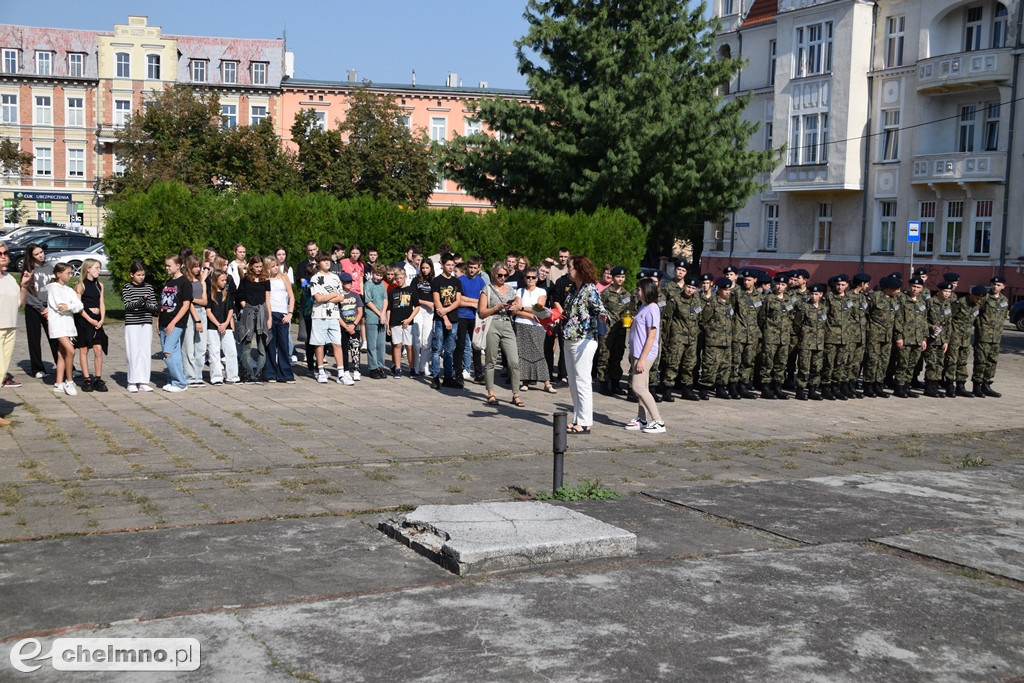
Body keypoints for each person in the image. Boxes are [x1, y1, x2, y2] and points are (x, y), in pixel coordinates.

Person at [562, 255, 606, 434]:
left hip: (584, 340)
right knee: (573, 382)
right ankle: (577, 418)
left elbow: (600, 309)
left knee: (583, 381)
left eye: (570, 267)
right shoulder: (572, 289)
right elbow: (568, 313)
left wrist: (602, 317)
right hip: (569, 339)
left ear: (579, 270)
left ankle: (585, 422)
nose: (568, 270)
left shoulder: (590, 289)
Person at [479, 262, 524, 407]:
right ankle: (490, 393)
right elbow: (482, 312)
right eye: (500, 275)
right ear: (494, 274)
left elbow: (515, 309)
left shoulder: (510, 290)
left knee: (514, 361)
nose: (503, 278)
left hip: (507, 324)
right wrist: (497, 307)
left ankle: (515, 394)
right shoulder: (487, 289)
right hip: (492, 322)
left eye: (505, 275)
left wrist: (514, 307)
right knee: (490, 360)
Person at [625, 278, 665, 433]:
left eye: (640, 289)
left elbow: (651, 336)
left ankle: (658, 421)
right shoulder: (643, 306)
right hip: (637, 352)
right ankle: (642, 418)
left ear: (647, 290)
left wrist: (642, 359)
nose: (637, 291)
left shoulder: (653, 308)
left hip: (645, 354)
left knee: (638, 386)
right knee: (643, 386)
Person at [514, 266, 556, 394]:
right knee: (523, 353)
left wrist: (523, 309)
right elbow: (515, 309)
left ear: (537, 279)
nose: (530, 279)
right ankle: (525, 381)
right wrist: (530, 314)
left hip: (537, 326)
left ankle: (546, 382)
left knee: (539, 352)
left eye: (533, 277)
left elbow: (539, 308)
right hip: (521, 324)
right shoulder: (520, 291)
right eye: (528, 277)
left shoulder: (541, 292)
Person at [45, 263, 83, 396]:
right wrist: (69, 306)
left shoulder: (69, 290)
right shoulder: (53, 289)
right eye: (68, 273)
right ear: (58, 274)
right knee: (70, 351)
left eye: (71, 273)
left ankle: (58, 383)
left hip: (68, 325)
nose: (70, 275)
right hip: (58, 325)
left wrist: (69, 307)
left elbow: (79, 305)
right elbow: (59, 306)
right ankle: (69, 380)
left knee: (61, 353)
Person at [21, 243, 58, 378]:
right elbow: (28, 293)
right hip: (33, 309)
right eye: (37, 254)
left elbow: (55, 288)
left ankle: (64, 365)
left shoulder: (50, 268)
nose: (41, 255)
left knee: (55, 338)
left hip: (50, 308)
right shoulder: (28, 269)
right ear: (31, 256)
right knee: (34, 339)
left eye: (41, 252)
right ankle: (37, 368)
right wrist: (41, 308)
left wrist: (49, 307)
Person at [309, 251, 346, 384]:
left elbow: (341, 297)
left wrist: (328, 297)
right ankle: (320, 371)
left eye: (328, 260)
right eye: (324, 260)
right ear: (318, 263)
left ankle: (341, 373)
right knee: (319, 344)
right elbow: (318, 298)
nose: (327, 262)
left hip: (334, 315)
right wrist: (332, 295)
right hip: (319, 315)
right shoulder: (315, 278)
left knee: (337, 343)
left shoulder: (335, 278)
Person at [121, 262, 159, 392]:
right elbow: (128, 306)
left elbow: (154, 307)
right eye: (138, 275)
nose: (141, 277)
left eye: (143, 275)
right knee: (133, 352)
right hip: (132, 323)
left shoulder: (148, 287)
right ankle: (132, 381)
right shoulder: (127, 287)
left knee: (145, 352)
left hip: (146, 322)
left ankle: (143, 381)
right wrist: (141, 301)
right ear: (132, 275)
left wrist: (144, 305)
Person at [158, 254, 193, 393]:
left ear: (178, 266)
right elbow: (163, 303)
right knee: (174, 353)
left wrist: (173, 322)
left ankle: (180, 382)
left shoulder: (184, 283)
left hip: (176, 322)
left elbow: (185, 305)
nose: (167, 268)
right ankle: (172, 380)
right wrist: (159, 321)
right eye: (166, 265)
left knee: (168, 352)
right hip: (164, 321)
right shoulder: (168, 282)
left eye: (169, 265)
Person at [73, 258, 109, 392]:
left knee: (98, 349)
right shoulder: (80, 285)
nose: (99, 270)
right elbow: (78, 307)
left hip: (97, 319)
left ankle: (98, 378)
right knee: (84, 349)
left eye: (99, 268)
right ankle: (87, 378)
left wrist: (101, 319)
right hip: (85, 319)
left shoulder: (99, 285)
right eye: (96, 268)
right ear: (88, 269)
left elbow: (102, 303)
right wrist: (90, 320)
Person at [0, 243, 26, 424]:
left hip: (10, 328)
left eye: (5, 253)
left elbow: (20, 303)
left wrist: (24, 285)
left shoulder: (9, 278)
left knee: (2, 374)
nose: (3, 256)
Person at [972, 276, 1010, 397]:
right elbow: (975, 314)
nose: (995, 286)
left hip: (996, 337)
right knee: (980, 361)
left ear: (1003, 287)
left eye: (998, 285)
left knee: (992, 361)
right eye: (993, 284)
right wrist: (980, 326)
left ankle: (987, 384)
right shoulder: (984, 298)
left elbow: (1003, 316)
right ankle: (977, 386)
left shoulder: (1004, 300)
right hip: (983, 336)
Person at [236, 256, 271, 384]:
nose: (258, 269)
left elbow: (267, 299)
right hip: (249, 312)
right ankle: (247, 373)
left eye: (260, 267)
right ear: (251, 266)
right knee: (247, 343)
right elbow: (240, 296)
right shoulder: (245, 280)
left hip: (262, 312)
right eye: (256, 267)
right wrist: (247, 307)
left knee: (262, 344)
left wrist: (269, 317)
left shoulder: (265, 280)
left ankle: (259, 373)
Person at [596, 266, 630, 395]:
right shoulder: (606, 293)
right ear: (613, 278)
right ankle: (603, 384)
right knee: (604, 356)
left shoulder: (627, 294)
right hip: (607, 330)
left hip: (620, 330)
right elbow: (598, 308)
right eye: (618, 277)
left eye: (622, 277)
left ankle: (615, 383)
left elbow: (630, 310)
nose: (620, 279)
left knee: (617, 356)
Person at [430, 253, 462, 390]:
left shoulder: (456, 282)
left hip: (453, 318)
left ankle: (448, 376)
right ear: (442, 265)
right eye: (448, 265)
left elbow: (458, 301)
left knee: (449, 350)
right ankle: (435, 376)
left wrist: (446, 311)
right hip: (440, 319)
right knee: (437, 348)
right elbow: (437, 301)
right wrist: (444, 317)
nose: (450, 267)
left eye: (452, 265)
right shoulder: (437, 281)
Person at [893, 276, 928, 398]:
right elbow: (898, 319)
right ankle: (899, 387)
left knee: (912, 364)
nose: (915, 289)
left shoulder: (921, 302)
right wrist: (899, 336)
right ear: (909, 285)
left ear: (922, 288)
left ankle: (907, 386)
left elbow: (924, 321)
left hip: (918, 339)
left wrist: (924, 338)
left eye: (918, 287)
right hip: (905, 339)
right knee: (902, 363)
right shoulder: (901, 299)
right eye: (913, 286)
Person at [205, 268, 240, 385]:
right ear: (215, 280)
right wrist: (218, 324)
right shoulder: (210, 294)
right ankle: (216, 377)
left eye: (226, 280)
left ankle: (232, 376)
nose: (225, 282)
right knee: (214, 352)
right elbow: (208, 311)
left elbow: (231, 309)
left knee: (231, 351)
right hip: (213, 326)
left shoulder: (227, 293)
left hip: (226, 325)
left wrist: (226, 323)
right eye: (222, 280)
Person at [455, 256, 486, 386]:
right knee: (461, 345)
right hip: (462, 316)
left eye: (475, 268)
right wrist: (474, 303)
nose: (472, 270)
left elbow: (484, 299)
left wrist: (474, 303)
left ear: (479, 268)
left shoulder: (481, 282)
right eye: (470, 267)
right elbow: (458, 300)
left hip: (476, 318)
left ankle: (478, 373)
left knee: (476, 346)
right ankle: (458, 373)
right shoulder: (460, 280)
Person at [794, 283, 827, 401]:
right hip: (806, 343)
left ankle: (813, 389)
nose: (813, 296)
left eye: (816, 294)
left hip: (819, 343)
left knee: (817, 367)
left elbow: (825, 325)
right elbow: (797, 324)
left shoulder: (824, 308)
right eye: (812, 294)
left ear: (821, 295)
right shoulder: (804, 307)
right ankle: (800, 389)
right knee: (804, 367)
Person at [265, 258, 295, 383]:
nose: (276, 268)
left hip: (283, 314)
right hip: (272, 314)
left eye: (277, 265)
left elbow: (291, 296)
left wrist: (290, 313)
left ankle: (285, 374)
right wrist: (269, 317)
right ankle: (271, 373)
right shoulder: (266, 280)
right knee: (270, 345)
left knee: (284, 345)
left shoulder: (284, 278)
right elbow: (267, 299)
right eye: (273, 266)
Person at [387, 268, 420, 377]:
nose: (399, 280)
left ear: (405, 277)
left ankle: (412, 368)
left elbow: (417, 307)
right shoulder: (392, 292)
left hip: (408, 322)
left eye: (401, 278)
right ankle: (397, 368)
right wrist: (388, 324)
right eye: (397, 278)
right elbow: (389, 309)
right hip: (395, 322)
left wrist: (409, 319)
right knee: (397, 345)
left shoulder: (411, 290)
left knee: (409, 346)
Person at [181, 256, 208, 386]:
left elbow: (204, 301)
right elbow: (187, 302)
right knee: (188, 347)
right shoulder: (186, 282)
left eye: (199, 266)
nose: (197, 269)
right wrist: (196, 320)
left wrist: (193, 299)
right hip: (189, 314)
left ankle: (198, 375)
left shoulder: (201, 282)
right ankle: (189, 376)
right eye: (195, 266)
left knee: (201, 347)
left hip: (202, 312)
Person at [363, 264, 389, 379]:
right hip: (372, 317)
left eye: (380, 275)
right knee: (372, 344)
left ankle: (380, 366)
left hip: (382, 318)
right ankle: (373, 367)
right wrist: (379, 314)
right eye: (377, 275)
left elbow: (385, 299)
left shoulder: (382, 285)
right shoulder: (368, 285)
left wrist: (383, 313)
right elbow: (368, 301)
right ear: (373, 273)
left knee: (381, 344)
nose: (378, 278)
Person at [338, 272, 363, 385]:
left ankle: (356, 369)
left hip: (354, 326)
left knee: (355, 348)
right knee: (343, 349)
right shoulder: (339, 297)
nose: (349, 284)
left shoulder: (355, 295)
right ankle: (345, 370)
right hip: (343, 326)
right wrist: (346, 326)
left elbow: (360, 311)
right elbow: (337, 314)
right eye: (347, 282)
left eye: (350, 281)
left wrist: (354, 324)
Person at [412, 259, 435, 377]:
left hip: (430, 312)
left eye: (427, 268)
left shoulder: (434, 280)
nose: (425, 270)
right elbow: (413, 296)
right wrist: (425, 302)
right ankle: (415, 367)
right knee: (417, 339)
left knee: (427, 340)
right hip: (418, 309)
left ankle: (424, 366)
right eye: (423, 268)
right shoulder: (416, 280)